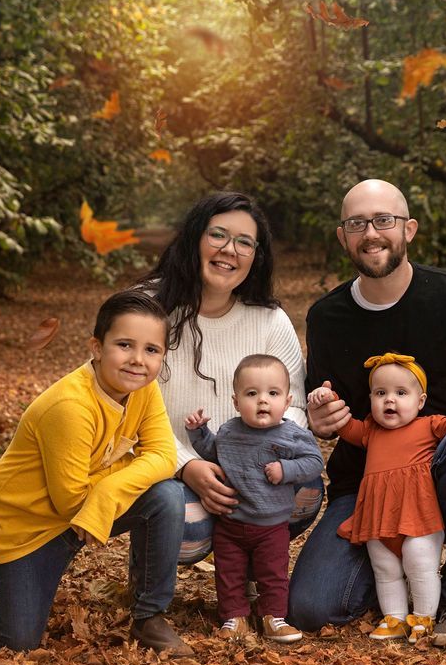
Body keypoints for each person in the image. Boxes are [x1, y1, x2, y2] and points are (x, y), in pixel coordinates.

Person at [291, 178, 446, 649]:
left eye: (384, 220)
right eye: (357, 223)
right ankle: (399, 582)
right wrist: (318, 421)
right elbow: (322, 405)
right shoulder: (327, 316)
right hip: (368, 485)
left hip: (445, 472)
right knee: (313, 608)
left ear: (409, 229)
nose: (371, 233)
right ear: (343, 237)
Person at [0, 290, 191, 654]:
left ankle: (150, 616)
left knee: (167, 495)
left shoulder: (144, 387)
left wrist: (107, 493)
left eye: (151, 350)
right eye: (124, 345)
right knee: (18, 642)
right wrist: (126, 472)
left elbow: (165, 455)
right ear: (96, 347)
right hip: (34, 525)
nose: (138, 360)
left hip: (90, 508)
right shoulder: (70, 406)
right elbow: (70, 502)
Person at [133, 192, 323, 571]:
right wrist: (187, 465)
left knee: (305, 490)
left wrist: (261, 456)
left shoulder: (269, 320)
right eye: (218, 235)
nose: (229, 250)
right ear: (194, 238)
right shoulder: (146, 308)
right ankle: (149, 572)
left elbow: (296, 406)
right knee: (186, 530)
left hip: (255, 465)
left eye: (244, 242)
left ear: (257, 257)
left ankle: (254, 564)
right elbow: (124, 408)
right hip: (166, 466)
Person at [308, 353, 446, 644]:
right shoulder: (369, 432)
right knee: (385, 569)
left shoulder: (428, 426)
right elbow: (344, 424)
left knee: (419, 562)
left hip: (418, 515)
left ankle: (424, 616)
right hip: (379, 518)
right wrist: (327, 397)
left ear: (421, 401)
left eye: (401, 393)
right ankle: (395, 618)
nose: (390, 400)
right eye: (381, 393)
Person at [185, 354, 324, 643]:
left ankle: (274, 617)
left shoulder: (292, 436)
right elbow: (213, 451)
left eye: (272, 393)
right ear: (236, 402)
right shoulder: (230, 430)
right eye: (252, 393)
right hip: (231, 522)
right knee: (229, 572)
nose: (262, 401)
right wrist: (198, 433)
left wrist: (286, 469)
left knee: (272, 573)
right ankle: (234, 617)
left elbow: (314, 462)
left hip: (272, 526)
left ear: (286, 402)